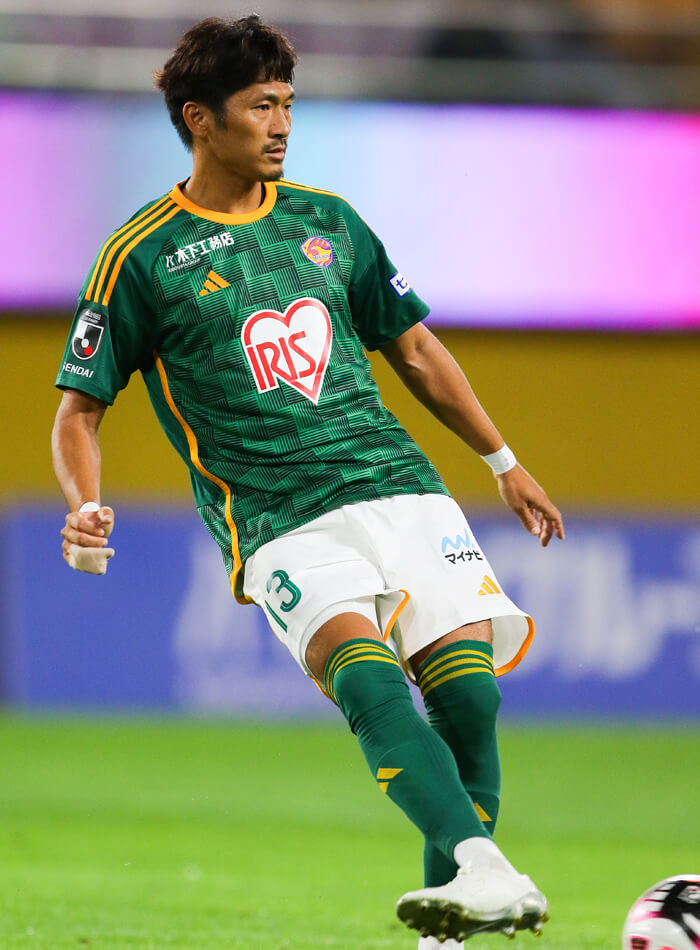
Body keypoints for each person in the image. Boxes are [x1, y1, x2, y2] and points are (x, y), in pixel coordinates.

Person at [52, 15, 564, 946]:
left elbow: (414, 348)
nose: (282, 123)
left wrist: (503, 460)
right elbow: (78, 410)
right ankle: (485, 869)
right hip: (281, 516)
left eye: (287, 103)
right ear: (201, 119)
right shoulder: (142, 256)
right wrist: (84, 505)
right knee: (368, 682)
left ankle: (449, 929)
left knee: (469, 700)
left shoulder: (329, 220)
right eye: (261, 106)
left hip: (399, 485)